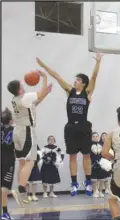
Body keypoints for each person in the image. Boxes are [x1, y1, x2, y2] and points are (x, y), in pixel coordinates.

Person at [36, 53, 103, 196]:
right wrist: (44, 66)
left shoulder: (88, 92)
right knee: (72, 156)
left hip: (84, 126)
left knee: (86, 155)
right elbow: (57, 76)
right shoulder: (69, 91)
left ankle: (88, 182)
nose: (75, 82)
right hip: (71, 127)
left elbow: (94, 77)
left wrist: (98, 61)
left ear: (83, 83)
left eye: (78, 80)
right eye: (75, 80)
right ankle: (74, 184)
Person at [8, 71, 52, 208]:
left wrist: (46, 93)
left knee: (22, 162)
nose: (24, 85)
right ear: (20, 89)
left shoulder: (16, 99)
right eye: (22, 84)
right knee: (31, 161)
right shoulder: (24, 97)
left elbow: (35, 103)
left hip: (17, 131)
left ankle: (21, 192)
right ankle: (21, 190)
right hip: (27, 131)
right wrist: (44, 77)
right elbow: (40, 92)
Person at [1, 108, 15, 220]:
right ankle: (5, 213)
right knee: (4, 188)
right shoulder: (14, 130)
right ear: (10, 121)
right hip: (8, 161)